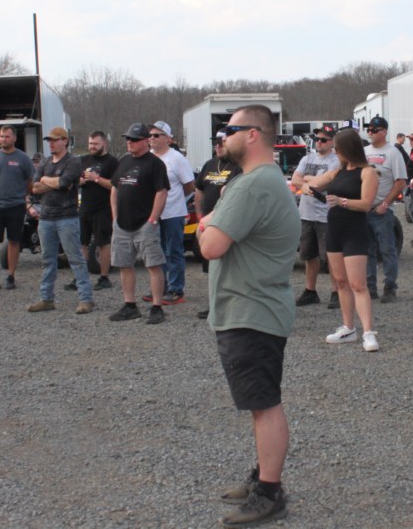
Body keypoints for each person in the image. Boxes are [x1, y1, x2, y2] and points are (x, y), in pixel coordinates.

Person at [196, 105, 300, 527]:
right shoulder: (261, 180)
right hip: (254, 306)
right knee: (260, 403)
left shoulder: (252, 185)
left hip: (251, 310)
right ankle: (263, 477)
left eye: (230, 130)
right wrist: (215, 218)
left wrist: (209, 221)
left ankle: (270, 493)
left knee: (264, 403)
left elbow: (210, 245)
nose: (223, 137)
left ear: (253, 134)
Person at [302, 128, 380, 351]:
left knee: (358, 284)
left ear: (348, 148)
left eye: (337, 148)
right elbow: (314, 182)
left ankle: (368, 332)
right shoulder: (338, 172)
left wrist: (342, 201)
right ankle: (348, 328)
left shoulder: (368, 172)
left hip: (354, 231)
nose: (335, 152)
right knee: (341, 282)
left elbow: (366, 204)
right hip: (334, 230)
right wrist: (306, 185)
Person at [25, 127, 95, 314]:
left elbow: (64, 183)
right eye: (49, 140)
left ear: (65, 141)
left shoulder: (73, 161)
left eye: (55, 140)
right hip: (46, 218)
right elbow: (35, 188)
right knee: (48, 260)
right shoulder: (46, 162)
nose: (51, 143)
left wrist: (50, 181)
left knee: (76, 259)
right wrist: (54, 181)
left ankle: (86, 299)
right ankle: (46, 298)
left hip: (67, 218)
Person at [108, 123, 170, 324]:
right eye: (127, 138)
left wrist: (152, 219)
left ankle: (157, 307)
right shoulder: (124, 161)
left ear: (145, 141)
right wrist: (115, 217)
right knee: (124, 265)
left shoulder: (154, 164)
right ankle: (130, 305)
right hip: (122, 225)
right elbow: (115, 188)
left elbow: (161, 192)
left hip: (145, 224)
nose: (129, 142)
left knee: (153, 265)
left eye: (133, 139)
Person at [0, 125, 34, 292]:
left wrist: (21, 195)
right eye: (2, 136)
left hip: (15, 206)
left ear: (14, 138)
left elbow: (29, 182)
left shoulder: (23, 159)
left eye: (7, 136)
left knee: (14, 241)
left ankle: (11, 276)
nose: (4, 139)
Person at [290, 123, 340, 308]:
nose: (319, 142)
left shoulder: (335, 161)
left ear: (332, 142)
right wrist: (307, 183)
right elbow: (295, 178)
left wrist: (306, 182)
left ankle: (337, 292)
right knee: (309, 255)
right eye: (316, 139)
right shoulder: (307, 158)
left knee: (330, 257)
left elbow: (323, 184)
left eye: (323, 140)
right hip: (306, 214)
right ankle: (311, 291)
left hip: (325, 216)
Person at [193, 132, 241, 319]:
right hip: (208, 222)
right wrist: (200, 218)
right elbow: (198, 193)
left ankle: (232, 306)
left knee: (229, 268)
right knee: (212, 269)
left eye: (222, 143)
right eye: (216, 144)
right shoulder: (209, 165)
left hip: (227, 225)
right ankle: (215, 305)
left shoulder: (238, 167)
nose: (218, 147)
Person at [146, 121, 195, 305]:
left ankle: (176, 290)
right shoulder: (148, 158)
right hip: (153, 213)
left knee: (173, 251)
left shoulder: (176, 159)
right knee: (157, 252)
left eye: (156, 135)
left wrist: (176, 199)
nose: (152, 138)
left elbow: (189, 185)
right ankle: (160, 288)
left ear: (168, 138)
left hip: (173, 213)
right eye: (150, 135)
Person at [65, 131, 118, 292]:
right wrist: (80, 182)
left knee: (103, 242)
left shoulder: (112, 162)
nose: (91, 147)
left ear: (104, 144)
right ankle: (80, 277)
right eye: (90, 144)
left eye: (95, 144)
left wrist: (96, 178)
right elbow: (74, 182)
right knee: (82, 242)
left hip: (103, 208)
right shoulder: (83, 160)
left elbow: (115, 186)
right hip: (84, 207)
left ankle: (104, 277)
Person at [362, 115, 408, 304]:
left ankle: (390, 286)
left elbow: (400, 182)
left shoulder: (393, 153)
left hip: (382, 211)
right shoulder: (364, 152)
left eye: (375, 129)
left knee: (387, 250)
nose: (371, 132)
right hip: (364, 209)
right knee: (367, 250)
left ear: (384, 131)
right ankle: (370, 287)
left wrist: (386, 204)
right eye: (369, 129)